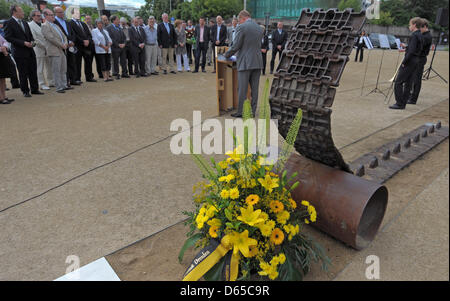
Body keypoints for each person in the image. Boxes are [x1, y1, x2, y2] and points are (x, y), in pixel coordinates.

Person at [224, 10, 263, 117]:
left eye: (239, 20)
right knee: (254, 89)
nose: (239, 22)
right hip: (258, 61)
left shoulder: (242, 27)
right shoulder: (259, 28)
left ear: (242, 18)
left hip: (245, 62)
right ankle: (252, 112)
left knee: (242, 88)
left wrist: (226, 54)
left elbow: (236, 45)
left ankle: (241, 112)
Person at [4, 4, 43, 98]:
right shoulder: (9, 22)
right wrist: (23, 43)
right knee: (23, 72)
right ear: (14, 12)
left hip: (30, 50)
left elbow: (29, 35)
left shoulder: (25, 22)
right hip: (19, 52)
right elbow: (8, 37)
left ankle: (35, 89)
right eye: (21, 11)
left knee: (33, 70)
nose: (23, 12)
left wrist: (32, 42)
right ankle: (25, 90)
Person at [390, 17, 424, 110]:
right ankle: (403, 103)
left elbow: (412, 51)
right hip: (416, 61)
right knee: (408, 83)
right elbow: (416, 48)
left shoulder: (414, 35)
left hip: (410, 61)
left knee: (398, 82)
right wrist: (407, 47)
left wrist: (404, 62)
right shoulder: (420, 35)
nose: (409, 26)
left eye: (410, 24)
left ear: (414, 25)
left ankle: (399, 103)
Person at [41, 8, 68, 93]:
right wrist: (62, 45)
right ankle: (59, 87)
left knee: (63, 69)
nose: (53, 16)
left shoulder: (55, 25)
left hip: (61, 49)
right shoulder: (45, 26)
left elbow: (64, 35)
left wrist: (66, 43)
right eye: (51, 15)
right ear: (45, 16)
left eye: (53, 15)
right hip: (54, 50)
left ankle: (64, 85)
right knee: (56, 70)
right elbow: (51, 38)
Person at [407, 18, 433, 105]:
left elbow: (419, 48)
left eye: (421, 28)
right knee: (414, 78)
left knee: (417, 79)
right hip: (419, 58)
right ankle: (410, 96)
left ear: (425, 27)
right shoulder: (424, 35)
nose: (419, 30)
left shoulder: (427, 36)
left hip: (420, 59)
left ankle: (413, 99)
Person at [69, 8, 96, 83]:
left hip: (87, 46)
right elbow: (74, 35)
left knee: (88, 61)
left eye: (79, 13)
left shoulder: (83, 23)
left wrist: (88, 40)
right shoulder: (70, 23)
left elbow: (88, 34)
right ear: (72, 14)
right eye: (76, 13)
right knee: (77, 63)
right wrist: (82, 41)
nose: (78, 14)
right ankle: (77, 78)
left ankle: (89, 77)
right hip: (78, 46)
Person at [28, 9, 53, 90]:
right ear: (33, 17)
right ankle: (41, 84)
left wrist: (48, 46)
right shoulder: (30, 25)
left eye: (40, 15)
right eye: (38, 15)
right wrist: (45, 46)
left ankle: (51, 81)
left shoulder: (42, 25)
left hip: (47, 48)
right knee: (40, 68)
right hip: (38, 49)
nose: (39, 17)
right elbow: (34, 39)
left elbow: (48, 36)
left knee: (49, 66)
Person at [54, 6, 77, 87]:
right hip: (62, 46)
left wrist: (72, 41)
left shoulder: (67, 22)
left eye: (62, 12)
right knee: (64, 65)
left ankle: (73, 80)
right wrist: (67, 42)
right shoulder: (54, 22)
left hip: (70, 45)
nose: (62, 13)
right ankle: (66, 82)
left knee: (72, 63)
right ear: (56, 13)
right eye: (60, 12)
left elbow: (73, 33)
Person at [106, 15, 128, 79]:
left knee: (123, 61)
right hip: (115, 47)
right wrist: (118, 44)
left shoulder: (119, 27)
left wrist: (124, 43)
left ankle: (124, 73)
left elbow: (124, 37)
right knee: (115, 61)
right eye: (118, 19)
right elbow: (110, 38)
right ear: (114, 20)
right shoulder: (109, 28)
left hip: (122, 47)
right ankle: (116, 73)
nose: (119, 21)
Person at [0, 33, 16, 103]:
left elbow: (5, 41)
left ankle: (4, 96)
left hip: (2, 56)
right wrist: (1, 49)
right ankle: (1, 98)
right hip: (2, 53)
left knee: (2, 78)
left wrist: (4, 47)